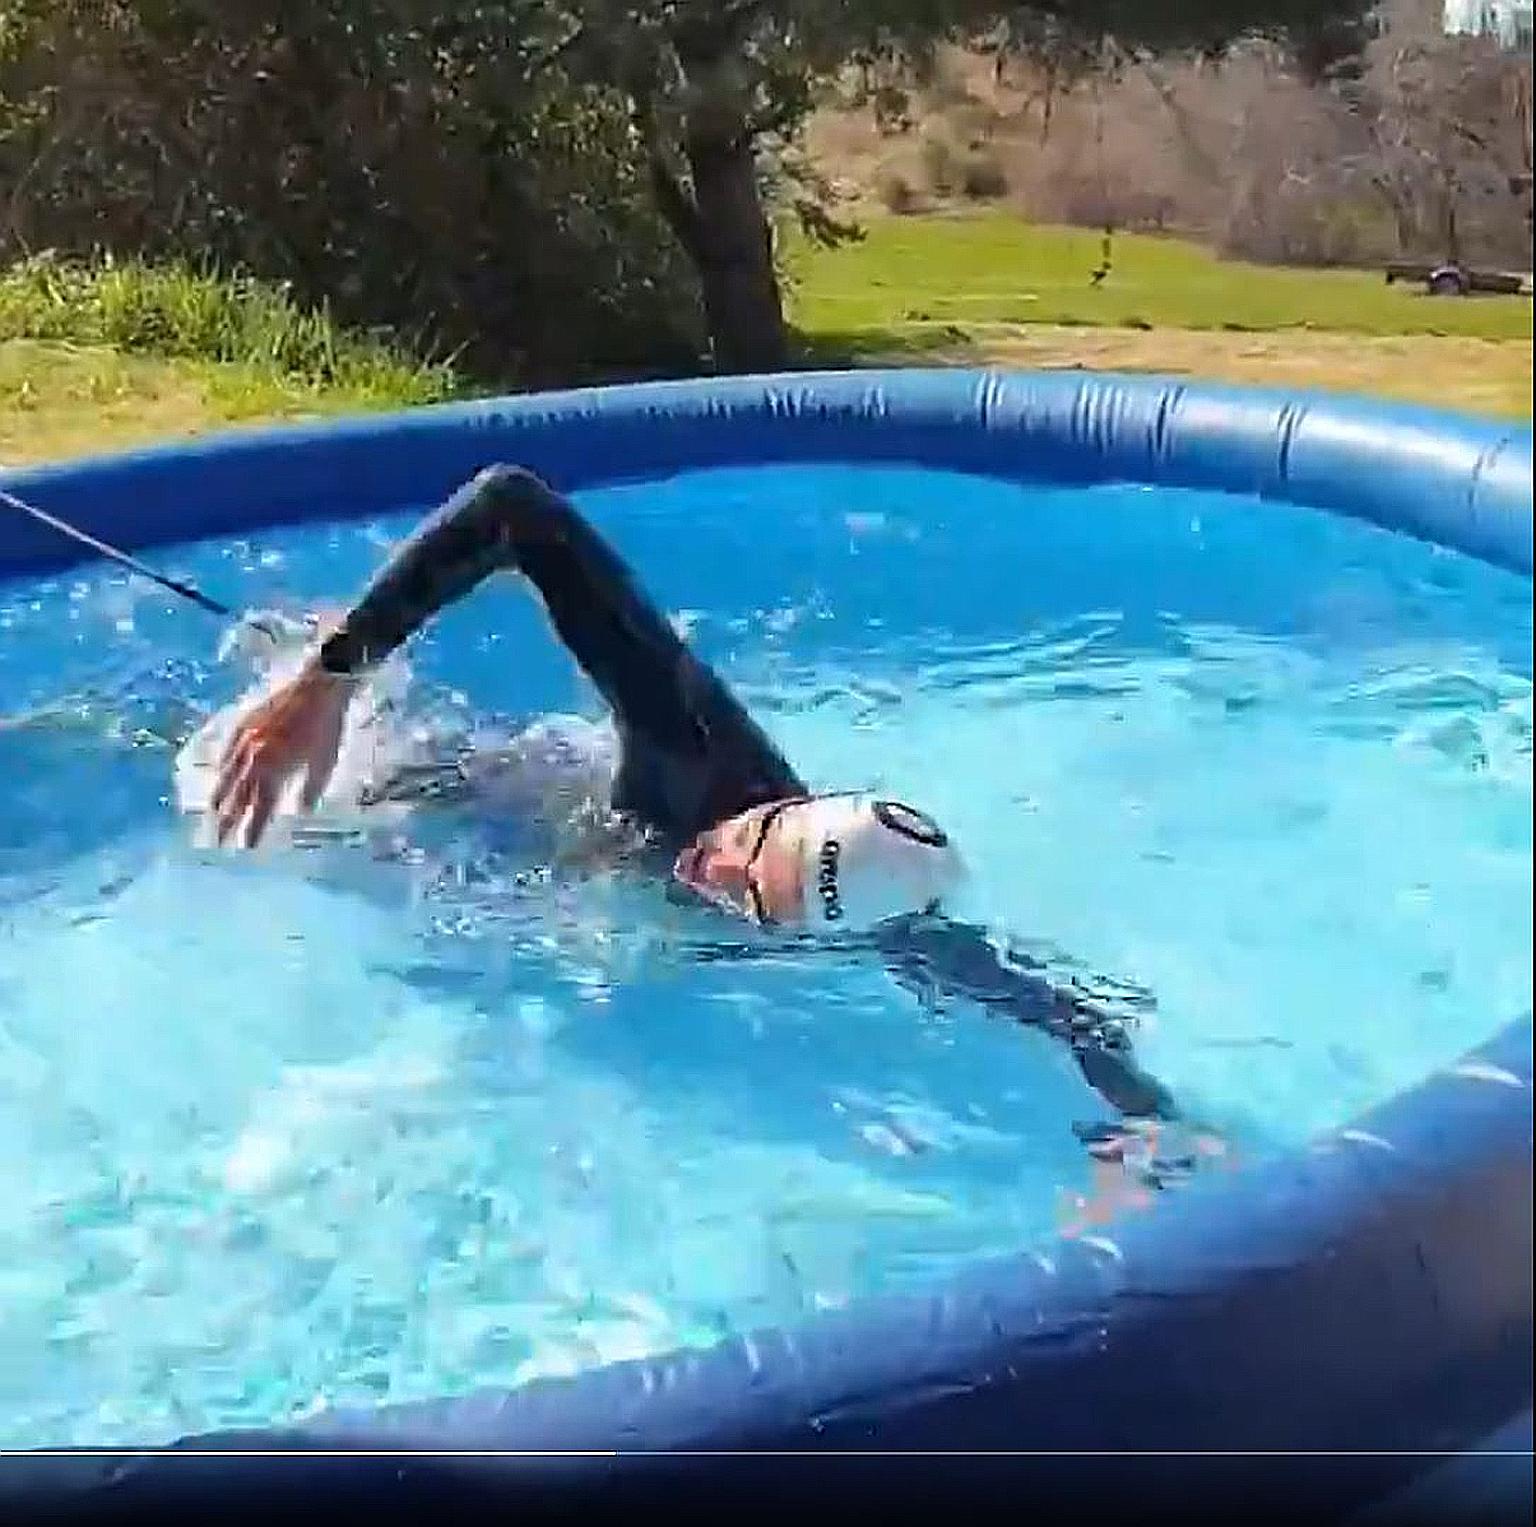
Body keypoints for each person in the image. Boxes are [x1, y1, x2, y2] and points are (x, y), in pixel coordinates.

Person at [209, 464, 1180, 1126]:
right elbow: (515, 505)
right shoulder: (701, 757)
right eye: (753, 838)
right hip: (479, 798)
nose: (716, 866)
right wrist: (330, 679)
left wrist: (1146, 1137)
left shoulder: (883, 920)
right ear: (775, 806)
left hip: (552, 890)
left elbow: (1073, 1018)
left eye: (752, 900)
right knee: (252, 785)